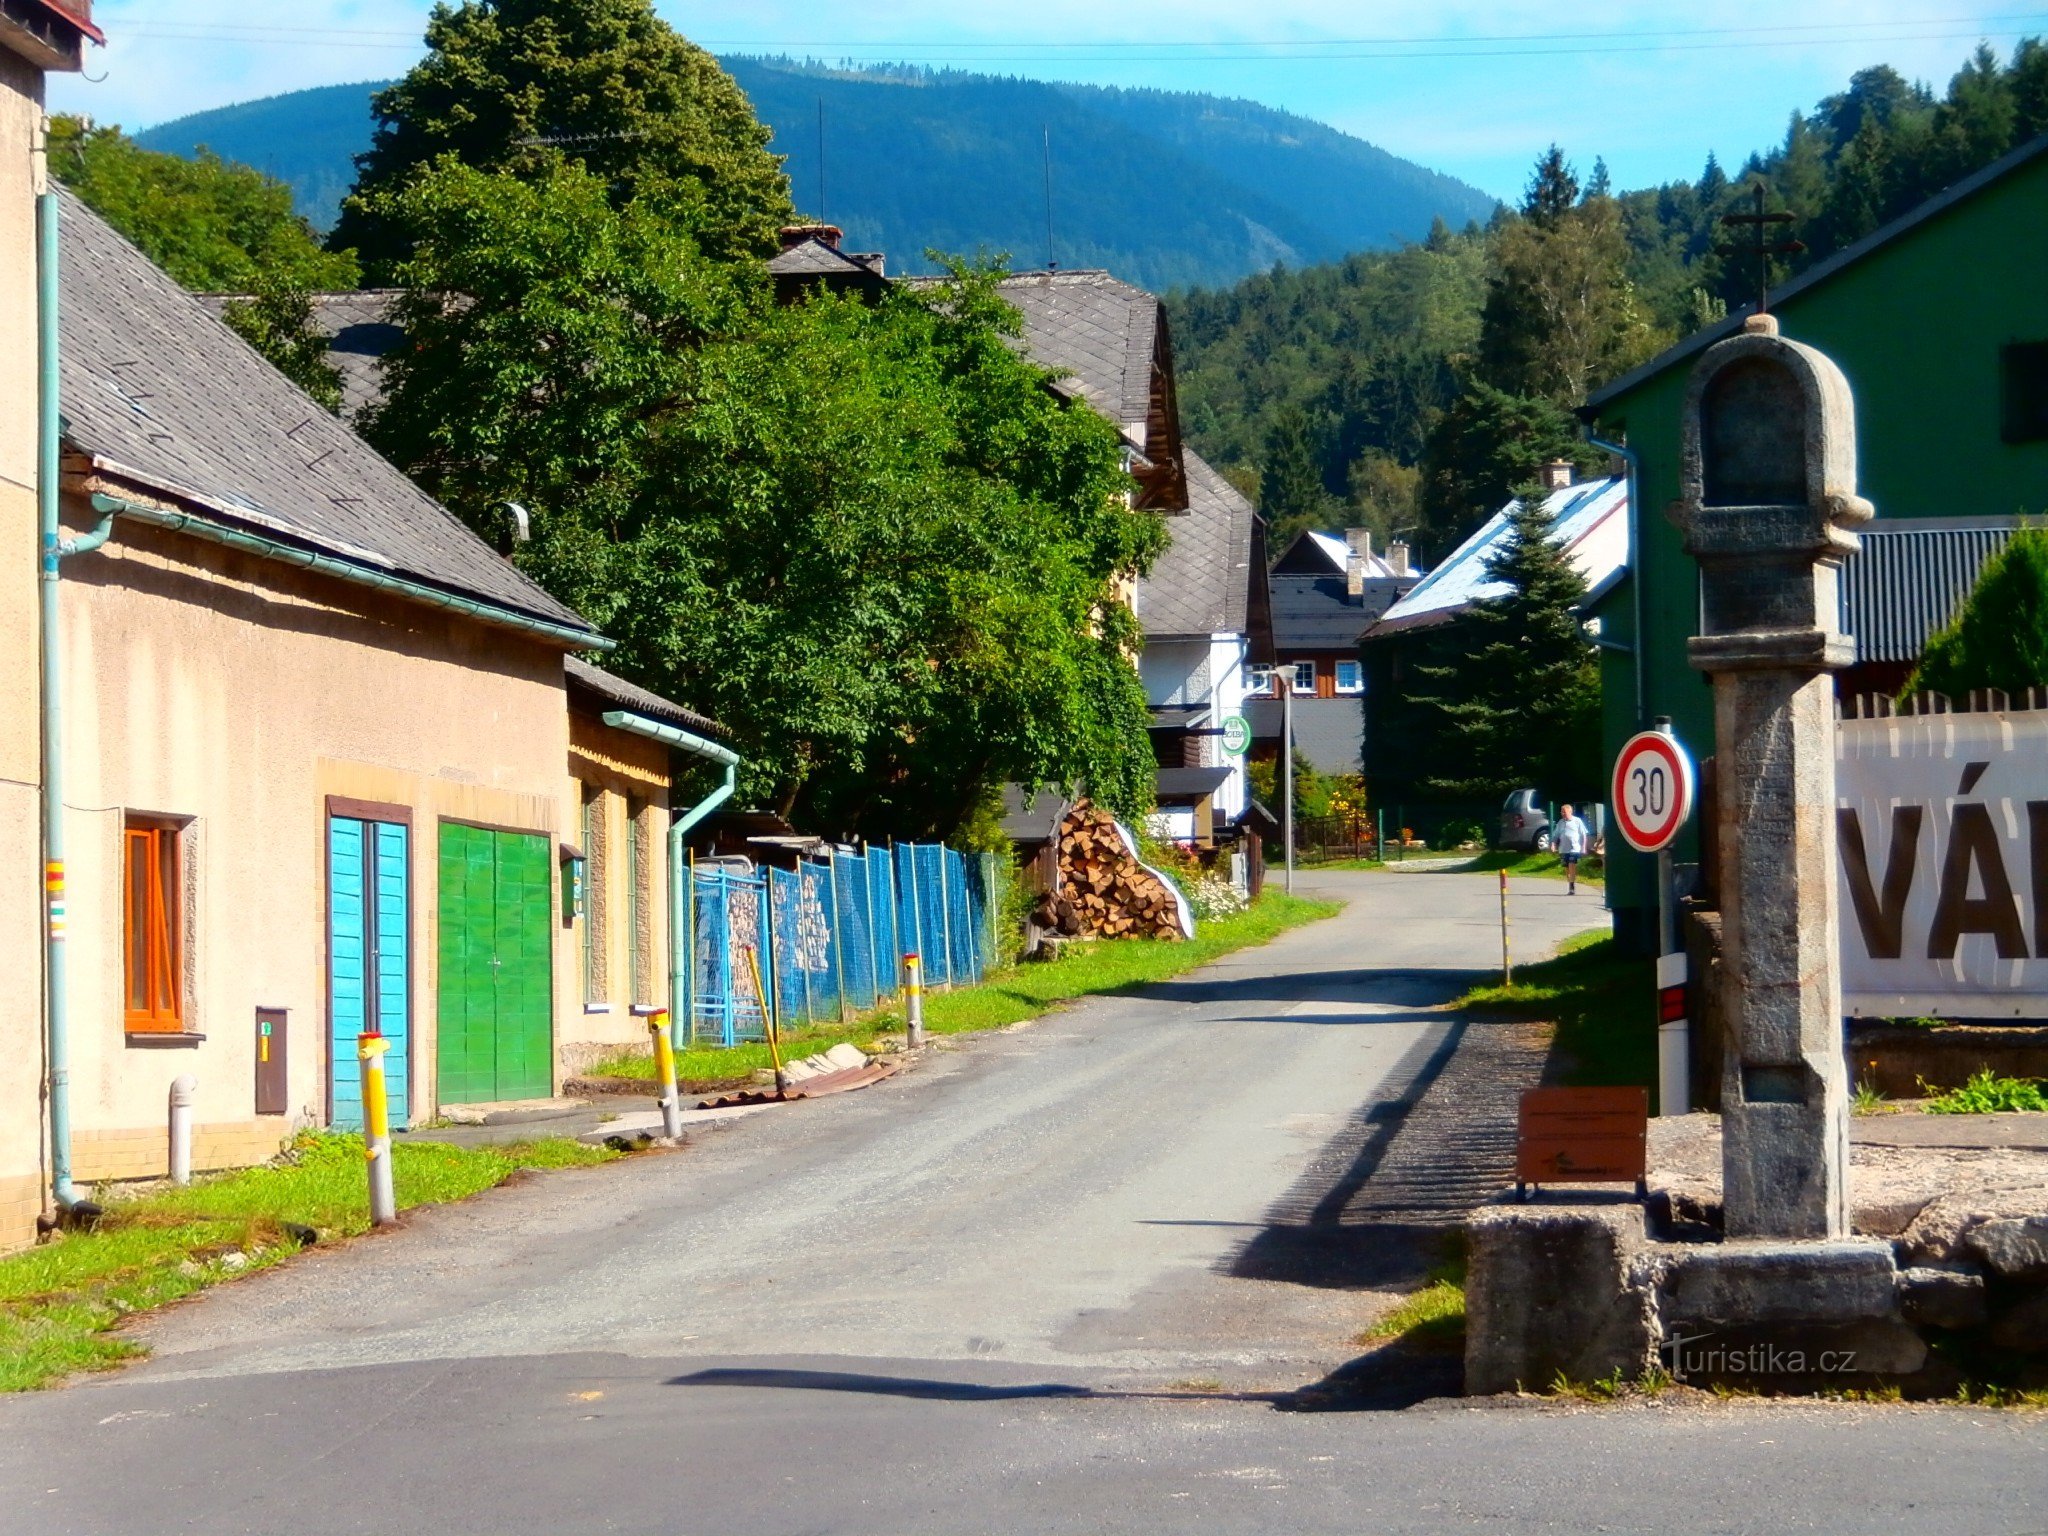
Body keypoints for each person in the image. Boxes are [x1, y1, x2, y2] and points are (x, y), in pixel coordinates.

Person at [1554, 804, 1590, 894]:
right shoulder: (1560, 822)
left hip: (1574, 848)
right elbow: (1555, 835)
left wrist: (1583, 847)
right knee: (1567, 869)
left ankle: (1572, 886)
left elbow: (1584, 834)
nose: (1562, 813)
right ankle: (1570, 882)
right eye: (1561, 812)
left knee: (1571, 865)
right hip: (1563, 849)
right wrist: (1553, 844)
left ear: (1570, 812)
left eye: (1564, 812)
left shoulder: (1577, 821)